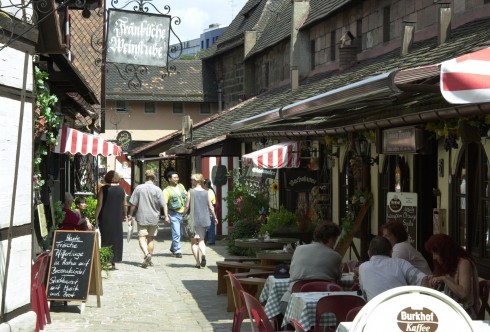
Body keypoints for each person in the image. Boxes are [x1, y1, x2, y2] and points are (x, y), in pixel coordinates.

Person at [280, 222, 342, 313]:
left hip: (291, 303)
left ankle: (291, 327)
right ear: (331, 239)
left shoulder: (299, 249)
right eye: (335, 240)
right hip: (321, 307)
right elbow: (338, 279)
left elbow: (291, 273)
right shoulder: (335, 256)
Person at [425, 233, 480, 318]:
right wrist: (434, 281)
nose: (434, 258)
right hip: (451, 312)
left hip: (466, 315)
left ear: (445, 252)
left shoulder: (464, 263)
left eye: (435, 253)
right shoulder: (448, 264)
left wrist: (445, 279)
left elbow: (464, 293)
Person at [359, 236, 428, 301]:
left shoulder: (363, 268)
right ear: (391, 252)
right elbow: (423, 280)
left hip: (376, 311)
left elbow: (365, 295)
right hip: (402, 311)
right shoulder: (401, 263)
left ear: (369, 253)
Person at [128, 170, 166, 268]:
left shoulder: (139, 188)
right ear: (154, 178)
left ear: (145, 177)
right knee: (150, 238)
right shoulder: (158, 189)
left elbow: (133, 204)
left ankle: (146, 254)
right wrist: (166, 216)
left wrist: (130, 215)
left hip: (142, 217)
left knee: (141, 238)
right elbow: (164, 204)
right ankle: (149, 258)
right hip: (154, 217)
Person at [184, 173, 218, 268]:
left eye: (192, 180)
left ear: (196, 181)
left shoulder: (191, 191)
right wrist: (215, 217)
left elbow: (187, 206)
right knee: (202, 240)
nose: (191, 181)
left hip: (193, 219)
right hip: (204, 218)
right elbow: (211, 207)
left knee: (194, 242)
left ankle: (198, 263)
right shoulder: (206, 192)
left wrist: (183, 214)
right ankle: (203, 254)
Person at [95, 171, 127, 270]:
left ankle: (107, 260)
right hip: (117, 217)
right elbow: (125, 204)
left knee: (106, 238)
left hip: (105, 217)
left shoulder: (103, 189)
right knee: (116, 238)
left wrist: (96, 217)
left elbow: (99, 205)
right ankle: (113, 261)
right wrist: (125, 214)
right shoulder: (122, 190)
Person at [163, 171, 187, 258]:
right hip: (173, 213)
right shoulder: (166, 191)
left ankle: (173, 247)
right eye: (174, 177)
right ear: (169, 179)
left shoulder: (181, 186)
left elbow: (187, 196)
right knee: (176, 232)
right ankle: (177, 250)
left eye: (177, 177)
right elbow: (164, 204)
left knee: (179, 233)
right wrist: (166, 216)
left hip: (183, 213)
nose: (177, 179)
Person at [203, 178, 216, 245]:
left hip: (208, 209)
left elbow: (210, 203)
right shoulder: (210, 191)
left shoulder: (209, 192)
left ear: (205, 184)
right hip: (208, 209)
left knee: (210, 226)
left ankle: (211, 240)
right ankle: (208, 239)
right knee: (209, 225)